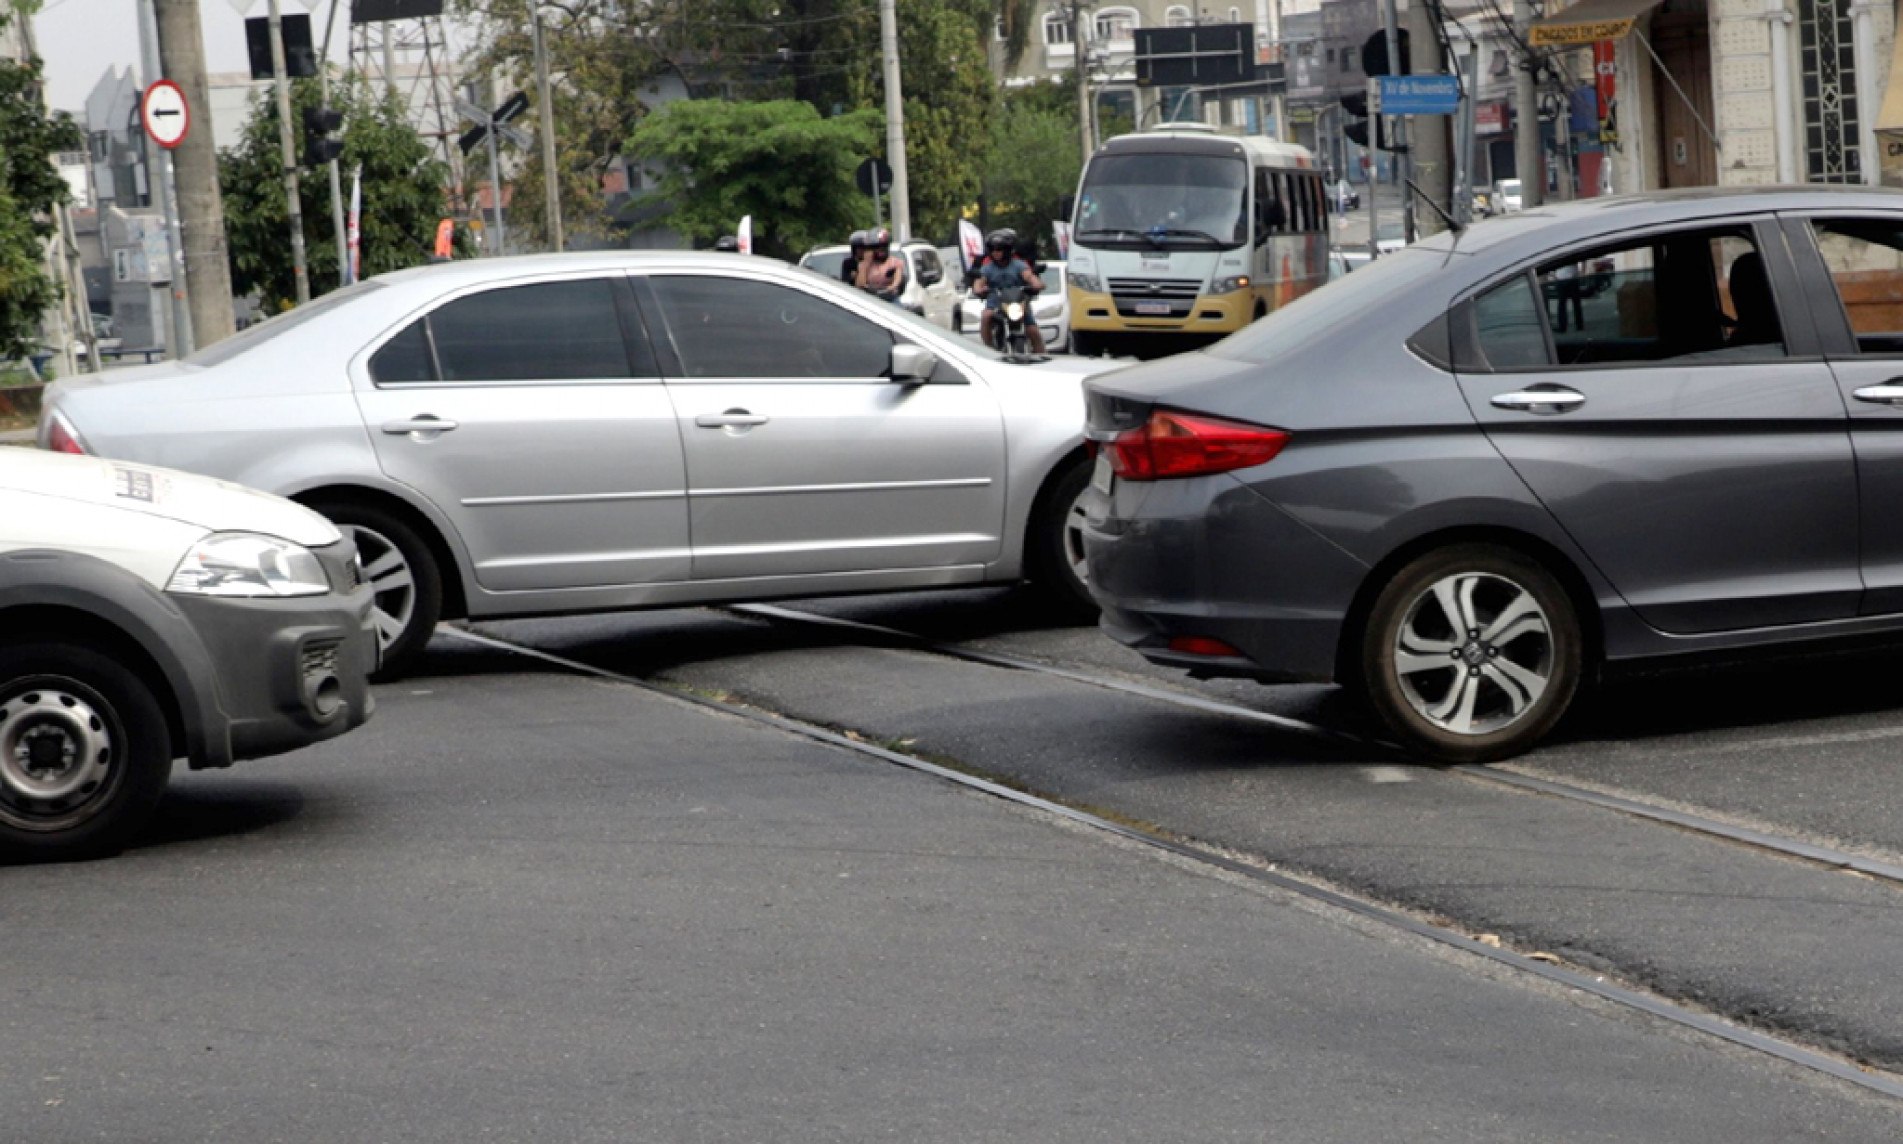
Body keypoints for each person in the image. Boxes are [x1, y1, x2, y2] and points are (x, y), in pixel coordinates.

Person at [971, 228, 1045, 354]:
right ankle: (989, 349)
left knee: (1033, 331)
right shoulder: (987, 268)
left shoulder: (1019, 265)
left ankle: (1042, 356)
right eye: (993, 249)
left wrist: (1036, 284)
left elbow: (1029, 276)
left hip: (1019, 303)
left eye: (999, 249)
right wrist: (979, 289)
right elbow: (979, 282)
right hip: (996, 304)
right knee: (986, 316)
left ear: (1008, 249)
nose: (996, 252)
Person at [856, 227, 907, 302]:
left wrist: (889, 288)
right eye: (876, 247)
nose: (880, 250)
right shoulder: (864, 265)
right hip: (871, 300)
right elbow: (859, 286)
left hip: (890, 300)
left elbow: (897, 280)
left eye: (883, 246)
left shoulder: (895, 263)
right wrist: (865, 264)